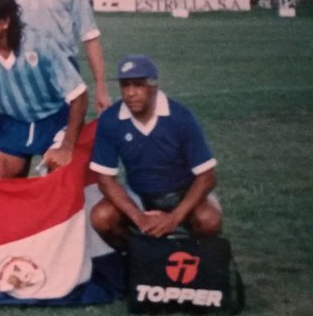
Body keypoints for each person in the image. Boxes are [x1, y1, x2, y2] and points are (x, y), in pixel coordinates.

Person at [0, 0, 88, 189]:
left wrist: (66, 147)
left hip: (54, 120)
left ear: (4, 22)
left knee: (60, 179)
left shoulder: (41, 43)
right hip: (13, 123)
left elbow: (79, 95)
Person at [89, 55, 221, 250]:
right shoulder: (111, 119)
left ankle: (196, 260)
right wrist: (139, 218)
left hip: (181, 193)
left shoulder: (180, 117)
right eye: (125, 85)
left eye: (138, 85)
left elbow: (207, 177)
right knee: (101, 217)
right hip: (138, 195)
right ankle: (137, 257)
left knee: (208, 219)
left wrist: (173, 218)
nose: (130, 93)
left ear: (153, 86)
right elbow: (105, 179)